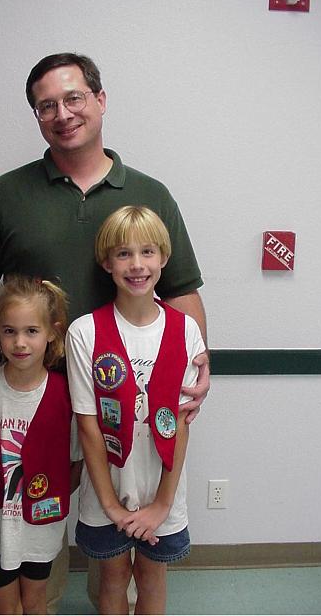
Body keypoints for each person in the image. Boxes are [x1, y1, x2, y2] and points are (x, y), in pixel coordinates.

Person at [0, 52, 210, 612]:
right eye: (46, 105)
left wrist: (200, 363)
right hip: (33, 400)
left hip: (123, 404)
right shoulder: (6, 194)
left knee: (112, 563)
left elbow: (184, 289)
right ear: (37, 117)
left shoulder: (150, 193)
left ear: (99, 100)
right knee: (40, 545)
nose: (62, 113)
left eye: (73, 98)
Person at [66, 206, 205, 615]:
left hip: (162, 487)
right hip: (105, 489)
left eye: (147, 252)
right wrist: (109, 505)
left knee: (151, 576)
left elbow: (180, 423)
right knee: (112, 577)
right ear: (106, 262)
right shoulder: (85, 332)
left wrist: (161, 505)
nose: (137, 265)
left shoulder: (186, 330)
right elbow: (89, 427)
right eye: (124, 254)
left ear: (163, 258)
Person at [0, 275, 81, 615]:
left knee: (35, 602)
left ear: (52, 332)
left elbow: (75, 462)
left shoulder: (63, 393)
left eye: (31, 331)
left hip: (40, 522)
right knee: (4, 605)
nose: (20, 343)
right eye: (9, 331)